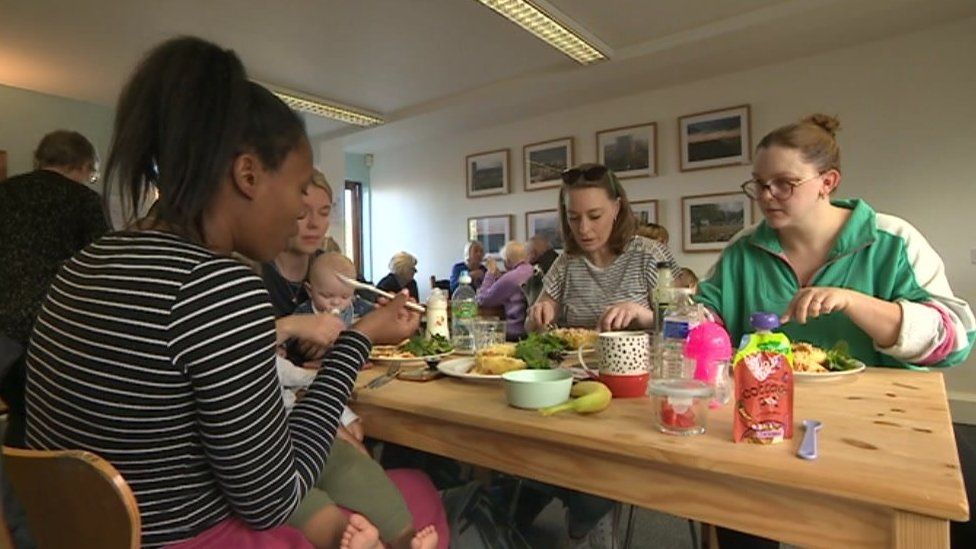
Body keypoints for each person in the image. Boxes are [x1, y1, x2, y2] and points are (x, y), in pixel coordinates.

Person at [22, 36, 430, 549]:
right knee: (415, 493)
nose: (301, 211)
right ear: (248, 175)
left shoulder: (82, 265)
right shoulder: (216, 284)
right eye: (300, 186)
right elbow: (271, 496)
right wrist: (357, 341)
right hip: (189, 540)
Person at [695, 113, 975, 548]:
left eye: (785, 183)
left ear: (828, 182)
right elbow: (707, 314)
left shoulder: (892, 238)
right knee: (739, 510)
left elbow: (954, 340)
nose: (767, 196)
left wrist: (856, 302)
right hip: (768, 420)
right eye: (759, 184)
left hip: (882, 428)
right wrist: (682, 317)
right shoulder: (743, 248)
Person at [0, 129, 109, 547]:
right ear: (82, 166)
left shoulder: (5, 193)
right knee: (45, 433)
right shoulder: (83, 202)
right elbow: (102, 274)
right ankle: (43, 530)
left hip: (1, 332)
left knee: (17, 431)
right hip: (51, 334)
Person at [528, 163, 680, 332]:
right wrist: (538, 316)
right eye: (574, 218)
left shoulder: (651, 255)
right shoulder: (566, 263)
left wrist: (642, 315)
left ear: (616, 208)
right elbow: (530, 327)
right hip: (577, 358)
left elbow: (686, 323)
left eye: (595, 216)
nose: (583, 229)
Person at [262, 168, 334, 316]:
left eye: (324, 213)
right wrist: (289, 326)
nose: (314, 223)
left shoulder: (331, 266)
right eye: (302, 212)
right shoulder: (256, 274)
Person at [476, 241, 534, 341]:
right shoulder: (532, 270)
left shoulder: (510, 278)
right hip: (532, 331)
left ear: (507, 261)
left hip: (515, 334)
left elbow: (483, 299)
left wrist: (490, 272)